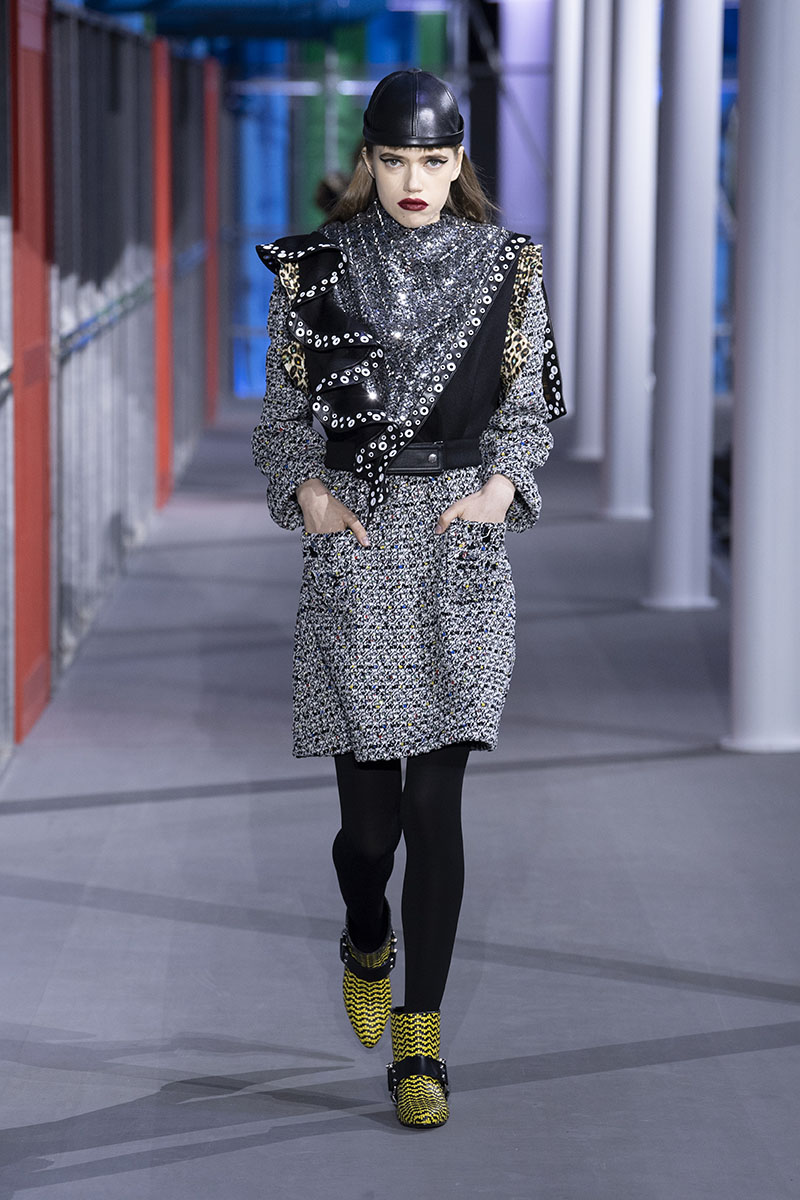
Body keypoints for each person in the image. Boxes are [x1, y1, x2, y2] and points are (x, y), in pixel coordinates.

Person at [252, 68, 564, 1129]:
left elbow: (527, 408)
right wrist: (308, 492)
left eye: (433, 159)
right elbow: (283, 417)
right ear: (368, 162)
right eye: (395, 159)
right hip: (360, 541)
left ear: (459, 159)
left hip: (456, 550)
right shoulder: (315, 271)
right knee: (368, 836)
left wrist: (498, 490)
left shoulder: (508, 266)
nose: (414, 178)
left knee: (434, 807)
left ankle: (419, 1044)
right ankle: (364, 934)